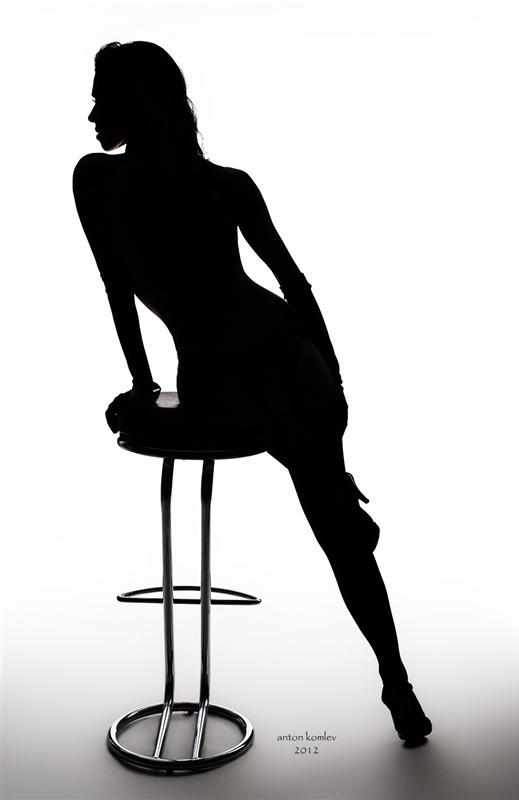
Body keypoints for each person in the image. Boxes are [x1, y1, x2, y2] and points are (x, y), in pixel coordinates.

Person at [73, 40, 432, 745]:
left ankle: (396, 678)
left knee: (333, 528)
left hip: (277, 361)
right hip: (240, 372)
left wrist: (333, 378)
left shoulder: (218, 185)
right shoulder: (102, 180)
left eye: (101, 97)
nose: (90, 114)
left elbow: (290, 285)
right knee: (332, 515)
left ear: (138, 103)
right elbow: (118, 288)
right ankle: (343, 505)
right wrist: (143, 384)